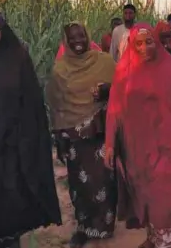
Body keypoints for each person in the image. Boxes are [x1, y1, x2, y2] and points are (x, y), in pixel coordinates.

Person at [104, 24, 171, 248]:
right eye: (138, 43)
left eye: (148, 41)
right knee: (148, 194)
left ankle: (166, 240)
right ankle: (156, 236)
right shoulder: (125, 71)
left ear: (156, 42)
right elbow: (114, 110)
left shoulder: (170, 68)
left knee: (169, 192)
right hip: (138, 148)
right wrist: (110, 143)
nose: (144, 47)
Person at [0, 13, 62, 248]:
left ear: (2, 31)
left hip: (14, 144)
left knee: (13, 196)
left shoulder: (18, 58)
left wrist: (20, 134)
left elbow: (31, 100)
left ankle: (11, 240)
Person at [46, 22, 117, 248]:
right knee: (80, 184)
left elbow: (123, 88)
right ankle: (84, 227)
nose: (78, 42)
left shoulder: (104, 61)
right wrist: (58, 137)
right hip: (74, 136)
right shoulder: (60, 70)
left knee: (104, 181)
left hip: (100, 132)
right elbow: (57, 105)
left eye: (81, 37)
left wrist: (107, 89)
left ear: (88, 37)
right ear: (66, 42)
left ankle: (105, 226)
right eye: (72, 38)